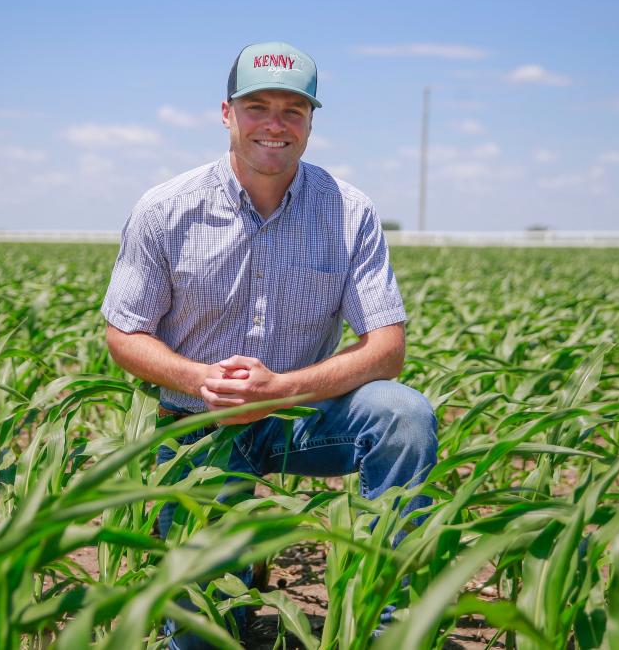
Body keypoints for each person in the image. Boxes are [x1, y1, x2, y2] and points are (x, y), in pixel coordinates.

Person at [101, 41, 438, 648]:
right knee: (204, 634)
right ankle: (233, 571)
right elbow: (123, 333)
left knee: (404, 414)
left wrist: (279, 389)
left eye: (293, 110)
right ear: (227, 114)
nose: (274, 125)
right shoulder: (165, 209)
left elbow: (386, 347)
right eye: (257, 106)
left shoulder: (348, 210)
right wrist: (201, 381)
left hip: (300, 415)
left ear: (310, 122)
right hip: (199, 422)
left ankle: (392, 629)